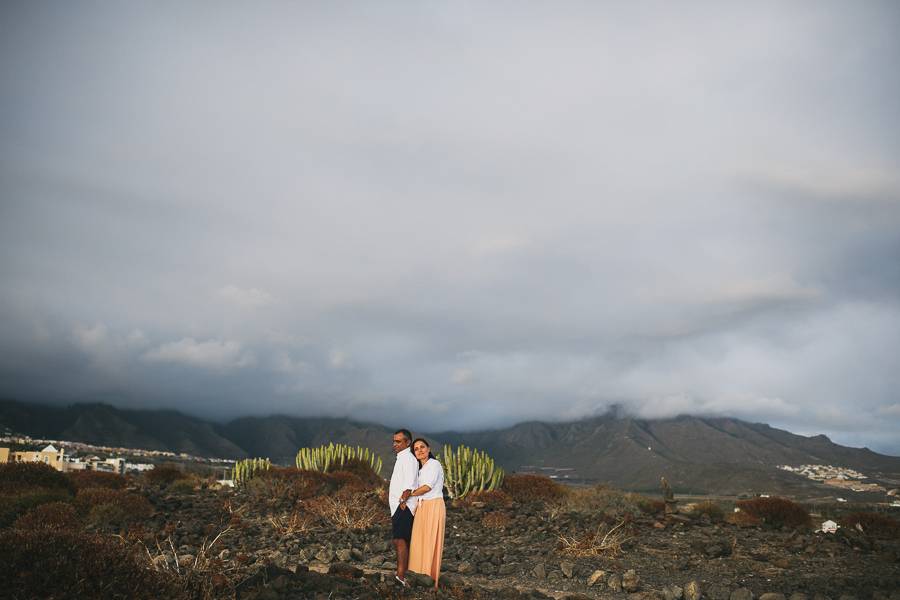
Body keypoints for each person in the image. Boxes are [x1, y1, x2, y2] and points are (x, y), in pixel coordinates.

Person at [406, 437, 446, 590]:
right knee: (418, 543)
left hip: (433, 506)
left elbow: (427, 487)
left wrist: (408, 495)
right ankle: (417, 577)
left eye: (422, 447)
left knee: (430, 542)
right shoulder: (420, 470)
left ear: (429, 449)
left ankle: (429, 581)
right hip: (422, 508)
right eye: (416, 449)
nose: (420, 450)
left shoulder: (434, 464)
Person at [389, 428, 418, 587]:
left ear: (408, 442)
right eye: (394, 441)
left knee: (400, 540)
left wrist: (402, 502)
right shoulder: (402, 458)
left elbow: (410, 484)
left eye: (398, 441)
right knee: (401, 540)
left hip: (403, 506)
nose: (395, 444)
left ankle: (400, 576)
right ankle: (401, 574)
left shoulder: (408, 458)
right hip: (399, 506)